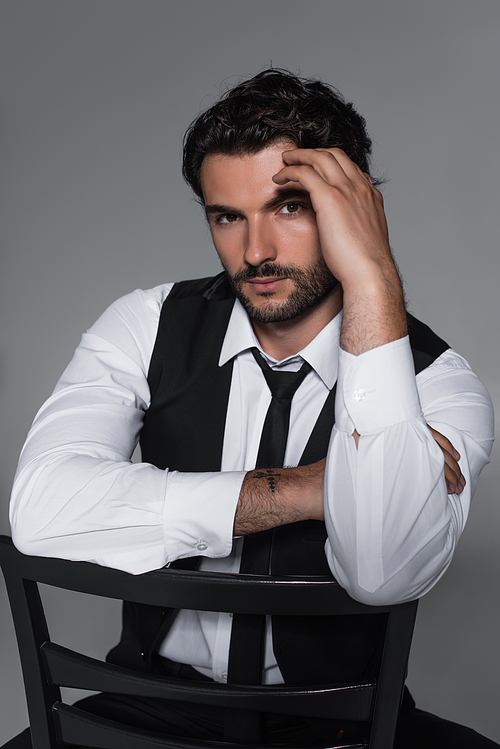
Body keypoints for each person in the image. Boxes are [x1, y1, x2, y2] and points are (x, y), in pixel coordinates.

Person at [9, 69, 496, 747]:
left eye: (290, 207)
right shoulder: (145, 324)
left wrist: (374, 277)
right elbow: (40, 509)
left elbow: (385, 571)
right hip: (149, 704)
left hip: (340, 722)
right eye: (227, 216)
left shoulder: (436, 380)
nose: (256, 251)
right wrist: (312, 489)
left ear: (354, 209)